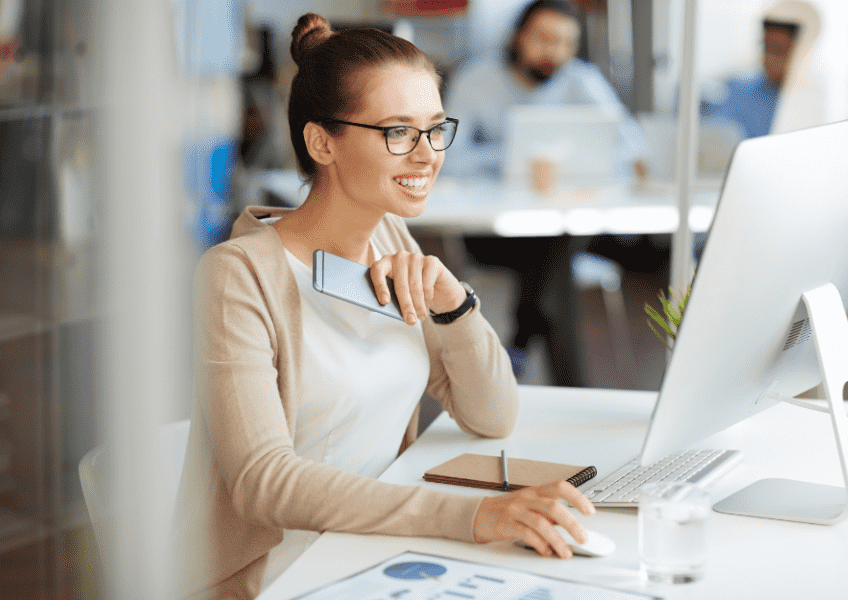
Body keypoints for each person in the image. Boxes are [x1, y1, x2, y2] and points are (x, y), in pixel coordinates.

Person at [174, 14, 599, 600]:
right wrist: (471, 518)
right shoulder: (238, 276)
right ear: (322, 142)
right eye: (397, 132)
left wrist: (454, 305)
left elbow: (493, 414)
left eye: (434, 129)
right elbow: (262, 483)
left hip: (379, 551)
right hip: (282, 576)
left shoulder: (393, 240)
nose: (427, 155)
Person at [441, 0, 645, 181]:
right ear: (518, 36)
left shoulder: (583, 79)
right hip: (491, 205)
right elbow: (445, 156)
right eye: (543, 38)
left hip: (568, 201)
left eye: (567, 42)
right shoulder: (474, 79)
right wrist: (517, 159)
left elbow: (635, 146)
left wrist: (568, 162)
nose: (554, 51)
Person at [707, 19, 799, 139]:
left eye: (777, 50)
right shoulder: (739, 90)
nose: (767, 58)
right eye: (766, 47)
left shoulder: (803, 102)